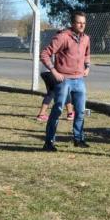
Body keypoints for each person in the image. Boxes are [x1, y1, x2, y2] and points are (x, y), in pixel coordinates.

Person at [40, 11, 91, 151]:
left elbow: (87, 54)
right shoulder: (62, 37)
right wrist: (54, 71)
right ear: (73, 23)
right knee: (57, 110)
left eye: (84, 23)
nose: (82, 25)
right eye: (79, 22)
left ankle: (78, 139)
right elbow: (45, 54)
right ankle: (49, 142)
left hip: (79, 80)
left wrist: (87, 67)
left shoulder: (86, 38)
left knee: (80, 111)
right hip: (64, 80)